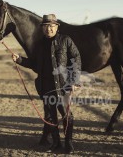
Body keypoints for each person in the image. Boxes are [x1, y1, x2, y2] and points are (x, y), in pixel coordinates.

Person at [12, 14, 81, 154]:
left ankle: (69, 144)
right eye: (46, 26)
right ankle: (56, 143)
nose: (49, 29)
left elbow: (76, 58)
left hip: (63, 85)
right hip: (45, 86)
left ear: (56, 27)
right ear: (42, 28)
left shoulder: (65, 40)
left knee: (67, 115)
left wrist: (74, 80)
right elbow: (34, 64)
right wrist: (20, 60)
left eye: (52, 26)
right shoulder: (39, 44)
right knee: (50, 116)